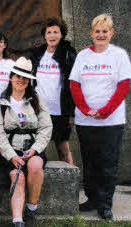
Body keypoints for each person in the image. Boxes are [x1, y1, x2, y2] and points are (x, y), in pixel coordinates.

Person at [69, 14, 131, 220]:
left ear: (111, 33)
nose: (101, 35)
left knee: (108, 162)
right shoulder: (82, 56)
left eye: (105, 31)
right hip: (85, 120)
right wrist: (86, 109)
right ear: (91, 33)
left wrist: (106, 111)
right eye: (97, 31)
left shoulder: (119, 55)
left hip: (111, 121)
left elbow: (124, 86)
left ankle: (105, 204)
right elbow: (74, 85)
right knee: (90, 162)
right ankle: (92, 199)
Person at [0, 57, 52, 227]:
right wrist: (11, 156)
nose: (20, 80)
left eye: (25, 78)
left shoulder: (36, 101)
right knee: (16, 177)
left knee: (35, 166)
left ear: (29, 81)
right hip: (10, 151)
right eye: (17, 76)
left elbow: (46, 128)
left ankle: (32, 208)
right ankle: (17, 221)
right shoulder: (1, 103)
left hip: (32, 148)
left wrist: (35, 149)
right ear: (11, 77)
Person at [30, 18, 76, 165]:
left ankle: (71, 184)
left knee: (63, 147)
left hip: (60, 110)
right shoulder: (37, 53)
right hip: (39, 109)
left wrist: (71, 113)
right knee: (37, 147)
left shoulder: (68, 53)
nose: (52, 35)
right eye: (49, 32)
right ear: (44, 35)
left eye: (56, 32)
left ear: (62, 34)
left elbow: (73, 84)